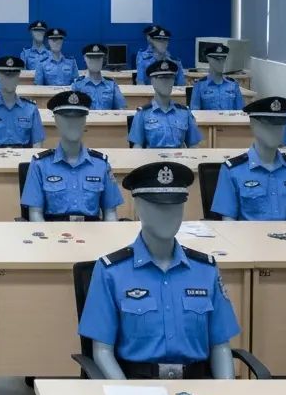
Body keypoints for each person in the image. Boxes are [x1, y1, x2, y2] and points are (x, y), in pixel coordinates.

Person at [78, 161, 239, 380]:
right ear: (139, 208)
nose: (168, 215)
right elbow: (102, 351)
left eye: (175, 207)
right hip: (137, 388)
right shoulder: (111, 272)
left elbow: (220, 346)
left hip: (199, 389)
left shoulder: (205, 270)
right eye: (158, 207)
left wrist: (226, 394)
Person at [211, 96, 286, 221]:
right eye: (268, 125)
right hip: (249, 239)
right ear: (253, 125)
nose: (275, 131)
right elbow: (228, 224)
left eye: (280, 125)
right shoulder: (232, 171)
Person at [20, 91, 122, 221]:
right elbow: (35, 214)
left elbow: (111, 212)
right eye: (66, 117)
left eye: (79, 117)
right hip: (53, 235)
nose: (73, 123)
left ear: (85, 121)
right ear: (56, 120)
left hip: (94, 235)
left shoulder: (101, 165)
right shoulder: (40, 165)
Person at [0, 55, 44, 147]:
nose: (10, 80)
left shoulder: (31, 109)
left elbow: (37, 144)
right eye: (6, 75)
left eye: (14, 75)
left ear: (18, 78)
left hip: (23, 158)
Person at [128, 59, 202, 148]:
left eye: (170, 78)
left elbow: (194, 146)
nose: (166, 82)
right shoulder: (142, 114)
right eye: (161, 78)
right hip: (152, 160)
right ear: (152, 81)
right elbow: (137, 150)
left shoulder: (184, 113)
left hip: (179, 160)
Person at [189, 42, 244, 111]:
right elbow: (195, 114)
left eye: (223, 58)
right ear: (208, 58)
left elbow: (241, 113)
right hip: (208, 121)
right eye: (217, 59)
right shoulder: (199, 85)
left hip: (229, 121)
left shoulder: (233, 84)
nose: (220, 62)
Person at [71, 43, 126, 110]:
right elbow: (73, 112)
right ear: (85, 59)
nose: (95, 61)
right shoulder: (77, 85)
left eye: (99, 57)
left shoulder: (112, 85)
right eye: (91, 57)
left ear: (103, 60)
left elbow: (121, 111)